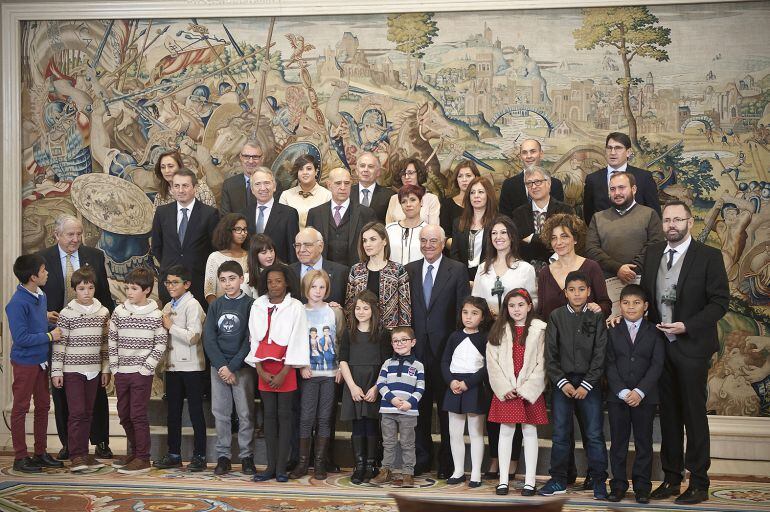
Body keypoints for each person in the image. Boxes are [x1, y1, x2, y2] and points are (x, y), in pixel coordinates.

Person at [641, 201, 729, 505]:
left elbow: (719, 303)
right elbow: (646, 298)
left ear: (690, 222)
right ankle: (671, 478)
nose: (672, 225)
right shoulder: (653, 253)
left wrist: (686, 326)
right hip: (660, 348)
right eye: (667, 220)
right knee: (667, 416)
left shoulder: (708, 257)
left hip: (691, 347)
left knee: (693, 415)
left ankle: (699, 482)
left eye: (678, 219)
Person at [38, 214, 114, 460]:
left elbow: (103, 292)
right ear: (57, 235)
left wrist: (110, 318)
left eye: (79, 234)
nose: (76, 239)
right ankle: (69, 444)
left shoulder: (94, 256)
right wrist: (44, 315)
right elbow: (36, 296)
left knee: (97, 393)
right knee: (62, 394)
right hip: (60, 334)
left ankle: (101, 441)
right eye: (70, 234)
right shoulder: (44, 259)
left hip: (91, 335)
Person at [405, 224, 470, 477]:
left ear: (443, 243)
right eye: (423, 240)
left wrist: (454, 349)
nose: (428, 245)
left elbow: (460, 312)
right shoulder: (409, 270)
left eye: (433, 240)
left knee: (446, 412)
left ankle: (447, 462)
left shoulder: (457, 270)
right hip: (416, 351)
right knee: (418, 410)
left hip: (445, 354)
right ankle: (422, 459)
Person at [539, 271, 608, 499]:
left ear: (589, 291)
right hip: (563, 384)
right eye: (572, 290)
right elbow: (551, 354)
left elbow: (600, 354)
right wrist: (563, 382)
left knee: (594, 434)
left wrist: (586, 384)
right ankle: (558, 479)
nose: (577, 294)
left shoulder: (596, 317)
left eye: (581, 289)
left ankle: (598, 480)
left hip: (590, 384)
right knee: (560, 433)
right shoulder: (556, 316)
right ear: (565, 292)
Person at [246, 264, 309, 482]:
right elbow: (254, 338)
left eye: (278, 281)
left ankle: (282, 468)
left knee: (285, 416)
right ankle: (270, 467)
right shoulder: (257, 305)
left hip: (286, 368)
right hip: (264, 369)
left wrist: (285, 371)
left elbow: (298, 338)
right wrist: (260, 370)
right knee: (269, 418)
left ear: (287, 283)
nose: (274, 285)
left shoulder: (296, 306)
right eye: (270, 281)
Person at [606, 284, 665, 504]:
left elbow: (657, 364)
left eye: (636, 303)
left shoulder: (655, 332)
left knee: (643, 442)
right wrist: (622, 391)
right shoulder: (611, 329)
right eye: (626, 303)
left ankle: (642, 487)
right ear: (619, 305)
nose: (631, 307)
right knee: (618, 442)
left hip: (645, 398)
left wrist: (640, 391)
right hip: (617, 397)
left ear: (646, 306)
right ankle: (618, 485)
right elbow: (608, 363)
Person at [486, 288, 548, 496]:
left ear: (529, 306)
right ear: (506, 308)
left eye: (521, 305)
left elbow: (542, 364)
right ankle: (503, 480)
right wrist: (505, 387)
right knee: (505, 432)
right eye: (511, 305)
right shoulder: (499, 330)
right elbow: (492, 364)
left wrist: (527, 388)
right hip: (507, 390)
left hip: (529, 390)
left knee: (529, 432)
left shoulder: (540, 330)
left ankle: (530, 481)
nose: (516, 309)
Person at [6, 254, 64, 473]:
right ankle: (20, 457)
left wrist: (50, 325)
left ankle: (40, 453)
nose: (46, 273)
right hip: (24, 363)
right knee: (20, 408)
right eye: (43, 270)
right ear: (32, 277)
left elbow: (37, 328)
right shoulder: (17, 303)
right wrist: (51, 336)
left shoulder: (41, 296)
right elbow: (21, 338)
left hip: (41, 361)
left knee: (43, 406)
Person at [108, 267, 168, 475]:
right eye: (127, 288)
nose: (129, 292)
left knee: (137, 414)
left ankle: (143, 457)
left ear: (147, 290)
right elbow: (112, 339)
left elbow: (160, 343)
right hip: (121, 371)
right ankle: (134, 452)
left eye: (134, 288)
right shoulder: (119, 312)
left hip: (141, 373)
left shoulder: (156, 315)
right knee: (124, 414)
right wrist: (115, 367)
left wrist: (146, 368)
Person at [51, 266, 109, 473]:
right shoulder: (67, 314)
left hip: (93, 370)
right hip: (72, 370)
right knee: (76, 413)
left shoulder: (103, 312)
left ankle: (86, 454)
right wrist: (56, 371)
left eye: (90, 288)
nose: (87, 292)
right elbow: (59, 344)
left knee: (88, 413)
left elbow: (105, 344)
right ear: (75, 289)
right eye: (82, 288)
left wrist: (105, 369)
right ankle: (76, 455)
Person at [291, 270, 347, 480]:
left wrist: (341, 367)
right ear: (306, 288)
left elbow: (341, 340)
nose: (317, 291)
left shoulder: (335, 312)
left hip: (331, 374)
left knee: (325, 418)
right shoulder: (299, 311)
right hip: (309, 373)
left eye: (322, 287)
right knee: (306, 418)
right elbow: (295, 341)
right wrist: (301, 365)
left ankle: (320, 463)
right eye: (313, 286)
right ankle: (303, 462)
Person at [203, 260, 256, 476]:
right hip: (219, 368)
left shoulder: (250, 305)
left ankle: (246, 457)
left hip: (241, 367)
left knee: (244, 412)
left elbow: (249, 339)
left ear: (241, 279)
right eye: (223, 280)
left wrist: (233, 366)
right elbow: (209, 338)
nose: (227, 284)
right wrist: (222, 366)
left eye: (232, 279)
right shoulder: (216, 305)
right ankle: (223, 456)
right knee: (221, 413)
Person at [153, 265, 207, 472]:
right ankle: (174, 454)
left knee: (195, 412)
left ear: (187, 284)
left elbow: (193, 336)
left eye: (175, 282)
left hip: (191, 366)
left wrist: (170, 326)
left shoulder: (192, 305)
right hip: (172, 366)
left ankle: (199, 455)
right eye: (168, 282)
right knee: (172, 413)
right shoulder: (167, 305)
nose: (170, 286)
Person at [339, 290, 391, 484]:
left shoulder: (382, 334)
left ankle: (371, 464)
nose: (361, 312)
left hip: (374, 383)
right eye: (358, 308)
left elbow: (386, 363)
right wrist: (351, 386)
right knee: (358, 425)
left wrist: (377, 388)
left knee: (371, 424)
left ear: (374, 310)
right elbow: (343, 360)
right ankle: (359, 464)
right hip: (354, 383)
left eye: (365, 308)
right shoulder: (348, 332)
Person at [442, 296, 492, 488]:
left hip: (473, 388)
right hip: (454, 386)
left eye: (474, 313)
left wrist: (468, 383)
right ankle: (458, 471)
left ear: (483, 316)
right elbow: (445, 362)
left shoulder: (485, 338)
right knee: (454, 433)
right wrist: (451, 380)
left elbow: (487, 367)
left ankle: (476, 473)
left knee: (475, 433)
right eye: (465, 312)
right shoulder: (454, 336)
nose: (469, 317)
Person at [151, 167, 219, 308]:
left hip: (198, 281)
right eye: (176, 186)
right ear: (171, 189)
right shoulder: (162, 212)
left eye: (185, 186)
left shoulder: (210, 214)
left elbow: (215, 249)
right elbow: (157, 246)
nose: (180, 190)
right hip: (169, 281)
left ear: (194, 188)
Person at [371, 327, 425, 488]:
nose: (399, 343)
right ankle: (386, 470)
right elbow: (380, 383)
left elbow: (420, 387)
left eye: (403, 340)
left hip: (408, 411)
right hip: (388, 410)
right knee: (389, 442)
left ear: (413, 342)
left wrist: (410, 403)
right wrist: (392, 399)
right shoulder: (388, 363)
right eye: (396, 341)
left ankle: (408, 473)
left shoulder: (418, 365)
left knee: (408, 443)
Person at [585, 172, 663, 281]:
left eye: (621, 188)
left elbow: (655, 245)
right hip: (607, 281)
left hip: (641, 279)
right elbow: (591, 250)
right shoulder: (598, 218)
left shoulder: (650, 214)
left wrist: (630, 270)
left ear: (634, 189)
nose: (617, 193)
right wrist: (618, 269)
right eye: (612, 189)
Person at [537, 213, 612, 319]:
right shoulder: (544, 273)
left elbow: (606, 305)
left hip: (586, 333)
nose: (559, 242)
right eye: (554, 238)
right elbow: (541, 312)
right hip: (554, 334)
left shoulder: (591, 267)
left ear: (575, 239)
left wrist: (598, 308)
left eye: (564, 236)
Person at [582, 132, 661, 224]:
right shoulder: (593, 179)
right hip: (604, 235)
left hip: (637, 235)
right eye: (609, 148)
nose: (612, 152)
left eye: (618, 148)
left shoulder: (644, 177)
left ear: (628, 152)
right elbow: (588, 215)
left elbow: (654, 213)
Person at [345, 222, 411, 330]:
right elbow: (350, 306)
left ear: (384, 241)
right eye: (364, 240)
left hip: (389, 335)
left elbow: (405, 307)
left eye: (373, 239)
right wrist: (351, 332)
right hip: (362, 334)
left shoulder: (397, 270)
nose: (367, 244)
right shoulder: (356, 270)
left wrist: (402, 335)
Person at [307, 167, 376, 267]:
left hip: (355, 272)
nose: (343, 187)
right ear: (329, 185)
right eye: (338, 183)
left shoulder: (366, 214)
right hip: (322, 273)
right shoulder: (315, 213)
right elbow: (308, 245)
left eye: (347, 183)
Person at [471, 215, 538, 315]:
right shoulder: (482, 267)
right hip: (487, 327)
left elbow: (534, 302)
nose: (498, 237)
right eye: (494, 233)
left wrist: (515, 313)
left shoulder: (526, 269)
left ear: (512, 236)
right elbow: (475, 300)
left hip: (515, 325)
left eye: (503, 232)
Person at [511, 167, 574, 271]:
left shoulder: (565, 210)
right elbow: (517, 244)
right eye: (529, 183)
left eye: (538, 182)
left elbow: (567, 240)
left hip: (561, 266)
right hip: (526, 268)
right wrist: (549, 239)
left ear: (548, 183)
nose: (533, 186)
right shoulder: (519, 213)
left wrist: (532, 238)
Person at [498, 139, 565, 218]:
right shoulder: (509, 185)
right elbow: (505, 219)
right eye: (524, 152)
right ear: (520, 156)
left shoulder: (555, 184)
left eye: (533, 151)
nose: (529, 156)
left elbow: (559, 217)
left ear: (541, 154)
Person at [245, 167, 299, 264]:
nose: (263, 188)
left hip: (280, 272)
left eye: (267, 183)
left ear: (274, 186)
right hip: (252, 272)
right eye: (257, 184)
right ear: (252, 189)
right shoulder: (244, 214)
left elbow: (293, 250)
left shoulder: (289, 214)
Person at [450, 176, 498, 281]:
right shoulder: (458, 222)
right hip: (462, 277)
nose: (476, 196)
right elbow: (454, 253)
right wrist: (463, 278)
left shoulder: (498, 222)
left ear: (488, 195)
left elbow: (499, 254)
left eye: (480, 192)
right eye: (472, 192)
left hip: (489, 276)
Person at [288, 227, 349, 305]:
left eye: (307, 245)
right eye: (298, 245)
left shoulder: (341, 273)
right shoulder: (287, 272)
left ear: (320, 246)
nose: (301, 249)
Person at [220, 140, 282, 216]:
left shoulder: (274, 184)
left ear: (262, 158)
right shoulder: (229, 185)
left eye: (255, 157)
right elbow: (225, 218)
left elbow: (276, 215)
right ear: (240, 157)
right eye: (246, 156)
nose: (250, 161)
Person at [204, 213, 249, 303]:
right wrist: (219, 311)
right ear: (227, 231)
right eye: (238, 229)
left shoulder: (250, 256)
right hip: (220, 310)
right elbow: (209, 292)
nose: (243, 233)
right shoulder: (215, 257)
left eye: (245, 229)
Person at [279, 154, 332, 228]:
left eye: (309, 168)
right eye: (301, 169)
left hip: (319, 239)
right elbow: (282, 224)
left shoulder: (327, 195)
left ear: (316, 171)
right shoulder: (286, 195)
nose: (305, 172)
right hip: (292, 239)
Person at [153, 149, 217, 208]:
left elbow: (211, 214)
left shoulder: (200, 187)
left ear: (180, 167)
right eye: (163, 167)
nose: (166, 171)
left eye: (170, 166)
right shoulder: (160, 197)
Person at [385, 158, 440, 225]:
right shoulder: (394, 199)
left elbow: (434, 228)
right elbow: (388, 227)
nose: (407, 177)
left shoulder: (431, 199)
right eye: (403, 173)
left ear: (419, 174)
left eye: (410, 173)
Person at [386, 185, 427, 265]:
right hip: (392, 275)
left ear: (421, 202)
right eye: (404, 201)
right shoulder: (390, 229)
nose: (408, 204)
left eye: (413, 200)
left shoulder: (428, 229)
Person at [441, 160, 481, 240]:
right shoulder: (447, 204)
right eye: (460, 176)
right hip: (453, 250)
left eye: (468, 175)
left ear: (476, 177)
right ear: (456, 179)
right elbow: (444, 235)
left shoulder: (483, 202)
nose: (464, 179)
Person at [351, 151, 394, 223]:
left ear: (378, 172)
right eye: (362, 166)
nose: (365, 170)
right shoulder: (346, 193)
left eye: (370, 166)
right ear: (356, 171)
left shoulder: (389, 196)